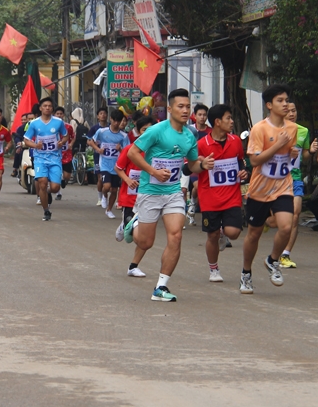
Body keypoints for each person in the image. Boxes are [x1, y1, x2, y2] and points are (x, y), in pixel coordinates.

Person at [125, 89, 206, 302]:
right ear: (169, 109)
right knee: (146, 242)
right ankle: (134, 225)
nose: (185, 110)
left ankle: (161, 286)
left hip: (172, 192)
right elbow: (133, 153)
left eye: (188, 106)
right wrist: (153, 172)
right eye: (180, 106)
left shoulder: (190, 135)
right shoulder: (157, 130)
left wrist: (203, 164)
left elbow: (193, 164)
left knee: (176, 235)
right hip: (150, 192)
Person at [239, 84, 300, 294]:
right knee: (254, 234)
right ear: (269, 105)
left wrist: (290, 152)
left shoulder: (292, 128)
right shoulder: (259, 129)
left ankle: (272, 260)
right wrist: (277, 145)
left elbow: (287, 153)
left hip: (283, 185)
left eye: (286, 100)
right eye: (280, 101)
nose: (285, 104)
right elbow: (255, 160)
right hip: (259, 189)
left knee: (286, 226)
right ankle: (246, 273)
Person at [196, 104, 249, 283]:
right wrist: (202, 164)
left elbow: (240, 161)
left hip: (231, 196)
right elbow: (189, 167)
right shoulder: (202, 145)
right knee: (212, 235)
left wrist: (243, 173)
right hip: (209, 198)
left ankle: (223, 233)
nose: (232, 121)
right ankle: (214, 269)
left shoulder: (235, 141)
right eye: (228, 118)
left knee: (233, 232)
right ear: (218, 122)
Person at [277, 101, 318, 268]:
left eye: (294, 110)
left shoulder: (303, 131)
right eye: (289, 111)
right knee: (276, 218)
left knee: (295, 215)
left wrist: (312, 151)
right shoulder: (275, 130)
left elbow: (304, 156)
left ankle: (286, 254)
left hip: (295, 178)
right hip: (277, 179)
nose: (292, 114)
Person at [114, 115, 155, 277]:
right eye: (145, 130)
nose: (148, 133)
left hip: (150, 198)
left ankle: (133, 266)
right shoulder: (130, 149)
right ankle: (125, 225)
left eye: (151, 130)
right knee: (134, 234)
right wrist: (128, 179)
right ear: (138, 132)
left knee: (143, 236)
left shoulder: (158, 151)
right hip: (130, 198)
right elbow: (118, 168)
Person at [24, 98, 69, 221]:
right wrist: (35, 145)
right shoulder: (34, 123)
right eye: (45, 106)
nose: (47, 108)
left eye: (50, 106)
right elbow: (26, 140)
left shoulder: (59, 122)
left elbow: (66, 136)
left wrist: (61, 142)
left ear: (52, 108)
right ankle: (46, 211)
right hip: (40, 158)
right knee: (42, 182)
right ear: (40, 108)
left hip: (55, 158)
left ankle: (47, 192)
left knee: (55, 188)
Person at [89, 109, 130, 219]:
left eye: (119, 121)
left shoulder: (123, 136)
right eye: (114, 121)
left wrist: (120, 149)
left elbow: (128, 152)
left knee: (114, 190)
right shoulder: (102, 132)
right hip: (104, 164)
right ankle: (103, 195)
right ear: (110, 119)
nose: (116, 123)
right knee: (107, 186)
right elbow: (90, 141)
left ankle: (109, 210)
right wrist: (98, 149)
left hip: (117, 166)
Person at [87, 106, 109, 207]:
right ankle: (100, 198)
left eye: (104, 113)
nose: (103, 115)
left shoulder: (110, 127)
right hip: (98, 156)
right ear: (97, 116)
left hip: (110, 156)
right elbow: (89, 140)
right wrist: (97, 148)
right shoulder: (94, 128)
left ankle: (106, 196)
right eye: (101, 114)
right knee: (100, 177)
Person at [53, 107, 74, 200]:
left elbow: (73, 137)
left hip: (67, 154)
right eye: (57, 113)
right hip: (55, 154)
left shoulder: (68, 127)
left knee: (67, 176)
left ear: (63, 115)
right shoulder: (51, 127)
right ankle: (58, 193)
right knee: (57, 174)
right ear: (54, 115)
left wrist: (71, 144)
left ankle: (64, 181)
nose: (59, 115)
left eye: (61, 114)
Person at [11, 113, 28, 178]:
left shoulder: (36, 126)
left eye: (25, 119)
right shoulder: (20, 128)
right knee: (18, 152)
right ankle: (16, 169)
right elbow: (17, 137)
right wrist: (19, 142)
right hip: (23, 146)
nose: (23, 121)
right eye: (22, 120)